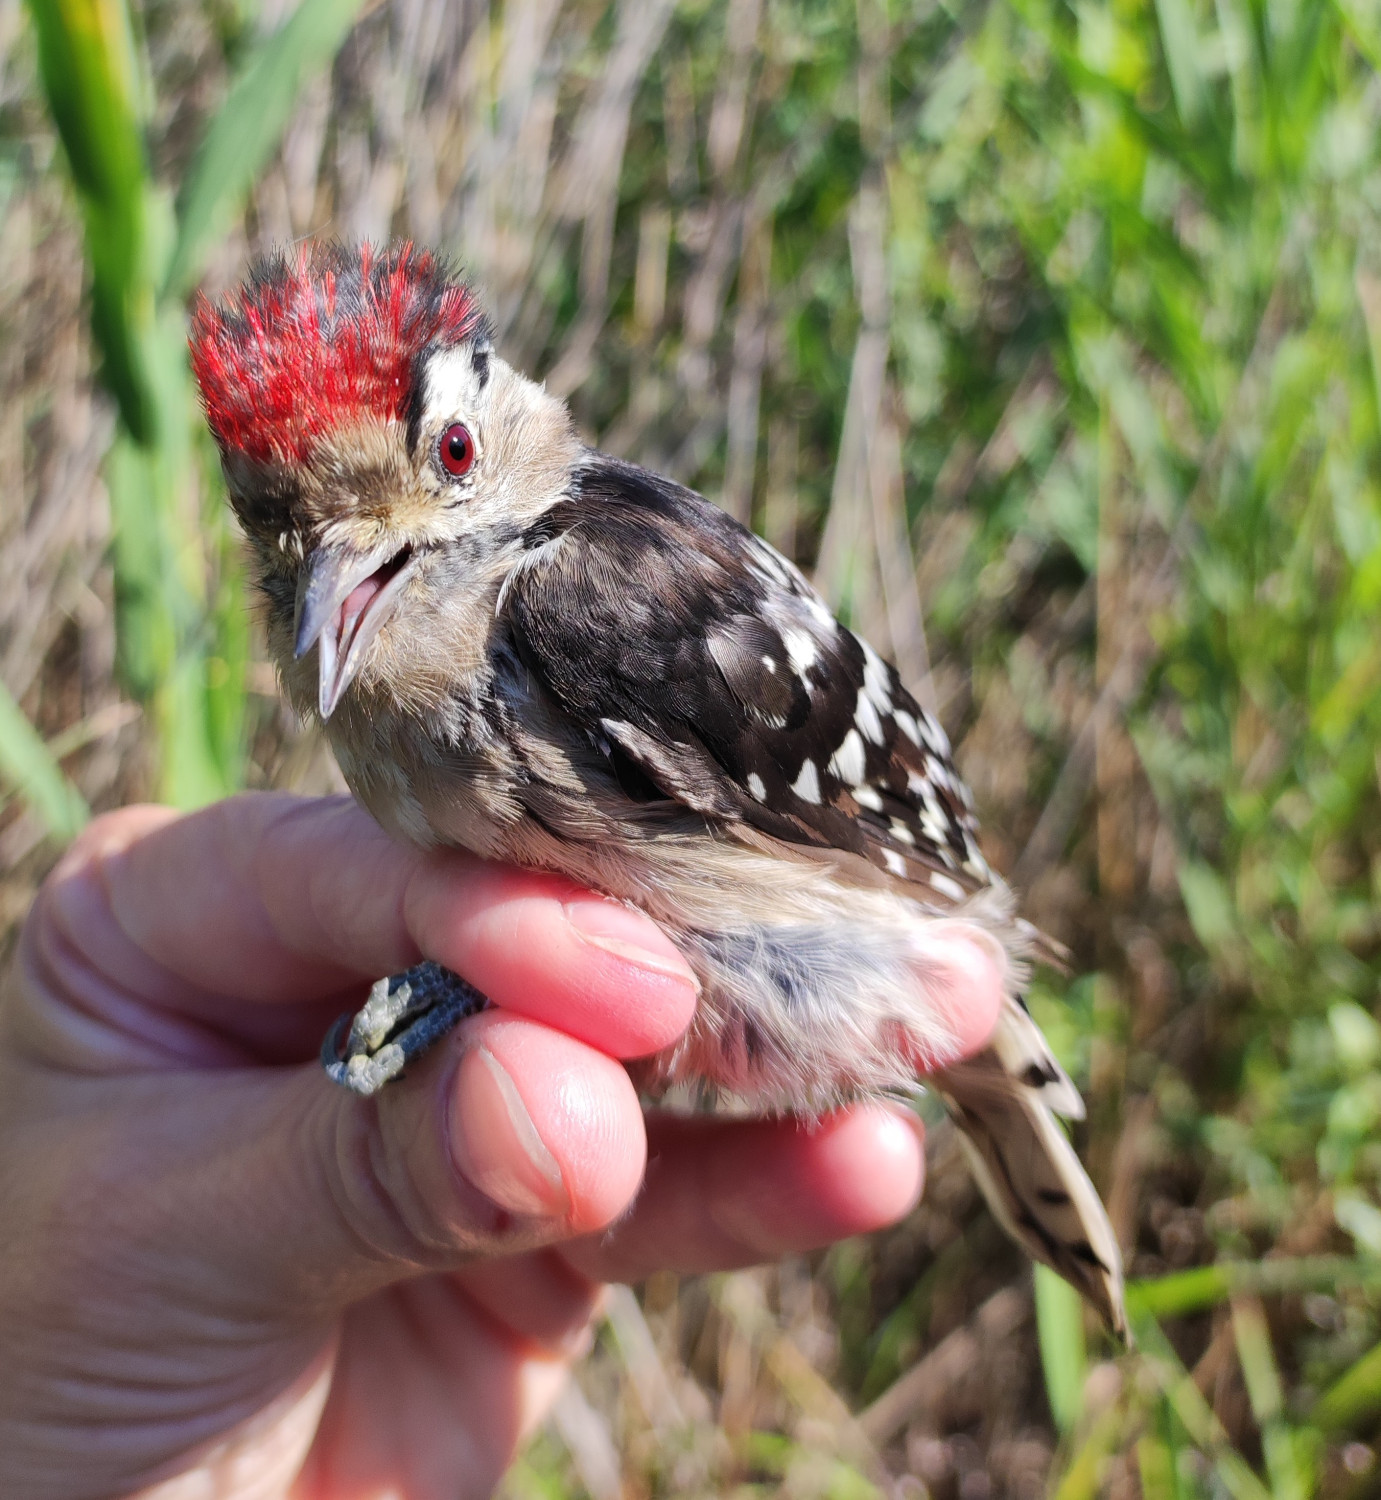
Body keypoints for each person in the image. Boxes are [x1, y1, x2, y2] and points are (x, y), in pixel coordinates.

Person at [0, 792, 1003, 1499]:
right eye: (285, 547)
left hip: (804, 937)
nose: (333, 588)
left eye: (451, 468)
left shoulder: (570, 600)